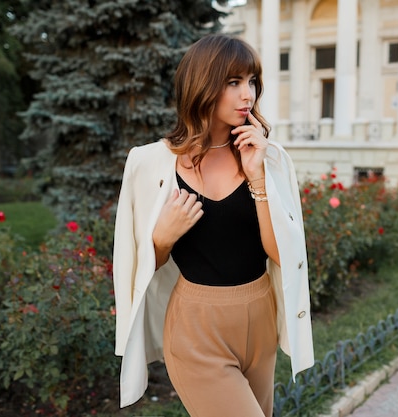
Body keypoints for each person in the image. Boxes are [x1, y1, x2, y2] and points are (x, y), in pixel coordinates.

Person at [113, 33, 314, 417]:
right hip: (196, 327)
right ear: (203, 85)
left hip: (260, 317)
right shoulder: (148, 163)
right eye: (234, 82)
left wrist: (256, 178)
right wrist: (162, 238)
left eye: (252, 81)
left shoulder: (271, 160)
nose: (248, 95)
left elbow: (281, 256)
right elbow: (134, 268)